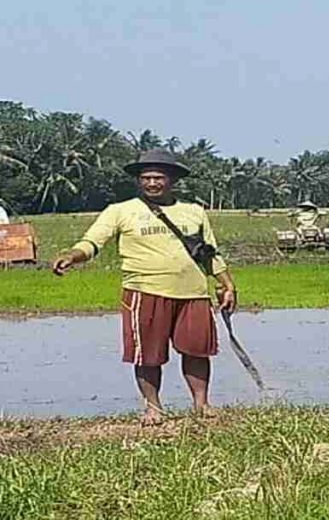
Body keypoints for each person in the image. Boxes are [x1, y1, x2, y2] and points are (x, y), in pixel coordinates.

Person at [52, 149, 237, 425]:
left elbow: (209, 253)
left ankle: (202, 404)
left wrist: (226, 284)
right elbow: (92, 242)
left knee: (197, 350)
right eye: (146, 178)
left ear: (172, 180)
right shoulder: (121, 211)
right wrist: (72, 256)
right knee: (148, 353)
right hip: (144, 291)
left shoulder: (194, 212)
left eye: (158, 178)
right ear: (139, 181)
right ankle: (153, 408)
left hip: (193, 293)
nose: (152, 183)